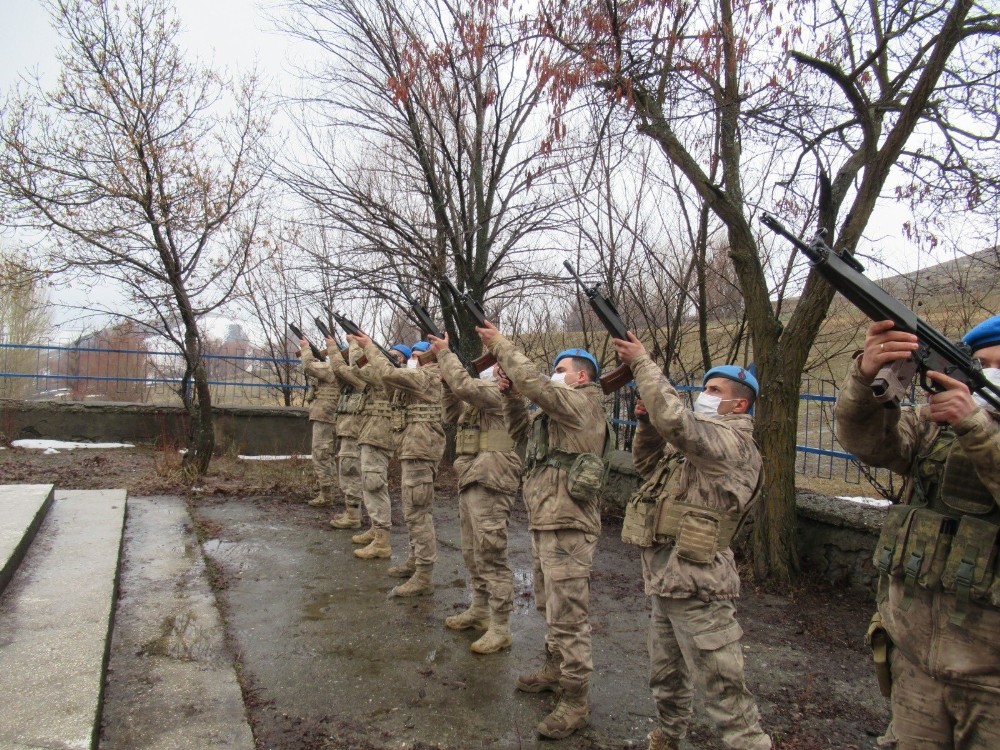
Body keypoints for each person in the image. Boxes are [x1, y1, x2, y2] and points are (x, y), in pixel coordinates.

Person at [834, 316, 1000, 750]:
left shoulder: (967, 424)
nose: (991, 374)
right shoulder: (934, 425)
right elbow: (867, 443)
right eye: (983, 364)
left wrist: (975, 428)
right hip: (916, 665)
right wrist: (864, 377)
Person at [612, 333, 772, 750]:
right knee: (665, 676)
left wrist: (643, 364)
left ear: (740, 404)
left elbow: (679, 423)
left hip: (701, 588)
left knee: (724, 692)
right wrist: (646, 424)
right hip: (667, 580)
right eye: (705, 388)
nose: (704, 395)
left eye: (714, 391)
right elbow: (648, 466)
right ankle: (668, 736)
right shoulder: (697, 446)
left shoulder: (733, 442)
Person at [477, 320, 608, 740]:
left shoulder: (583, 404)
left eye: (561, 369)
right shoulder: (554, 416)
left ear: (581, 376)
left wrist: (500, 345)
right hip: (545, 520)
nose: (555, 375)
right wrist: (512, 395)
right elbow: (518, 429)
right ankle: (555, 669)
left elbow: (538, 386)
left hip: (569, 524)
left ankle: (575, 699)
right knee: (549, 608)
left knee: (570, 616)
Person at [428, 332, 521, 653]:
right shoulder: (479, 397)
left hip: (493, 479)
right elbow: (451, 415)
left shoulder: (506, 392)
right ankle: (480, 610)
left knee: (491, 553)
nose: (492, 368)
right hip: (471, 477)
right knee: (471, 551)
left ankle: (500, 626)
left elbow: (466, 386)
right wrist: (445, 385)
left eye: (496, 363)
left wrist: (444, 354)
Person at [359, 336, 445, 597]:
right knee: (411, 510)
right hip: (411, 448)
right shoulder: (412, 381)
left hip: (421, 451)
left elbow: (386, 372)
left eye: (414, 357)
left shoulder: (429, 375)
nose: (410, 361)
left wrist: (368, 347)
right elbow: (383, 380)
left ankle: (424, 573)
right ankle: (414, 560)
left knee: (418, 512)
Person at [348, 340, 410, 560]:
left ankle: (382, 540)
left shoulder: (392, 374)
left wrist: (357, 346)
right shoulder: (387, 372)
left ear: (401, 358)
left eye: (391, 354)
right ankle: (376, 529)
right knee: (368, 482)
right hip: (371, 431)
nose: (384, 357)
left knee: (374, 483)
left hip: (379, 434)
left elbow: (359, 368)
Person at [324, 339, 368, 530]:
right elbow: (338, 370)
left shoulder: (362, 376)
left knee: (351, 471)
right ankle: (351, 512)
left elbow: (341, 369)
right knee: (347, 470)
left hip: (354, 431)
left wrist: (334, 348)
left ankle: (353, 516)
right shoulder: (351, 380)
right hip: (347, 429)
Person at [298, 338, 343, 511]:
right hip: (328, 415)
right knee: (327, 454)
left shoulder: (332, 369)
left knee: (321, 453)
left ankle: (327, 494)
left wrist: (305, 349)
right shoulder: (338, 369)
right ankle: (328, 489)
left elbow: (308, 367)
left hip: (325, 416)